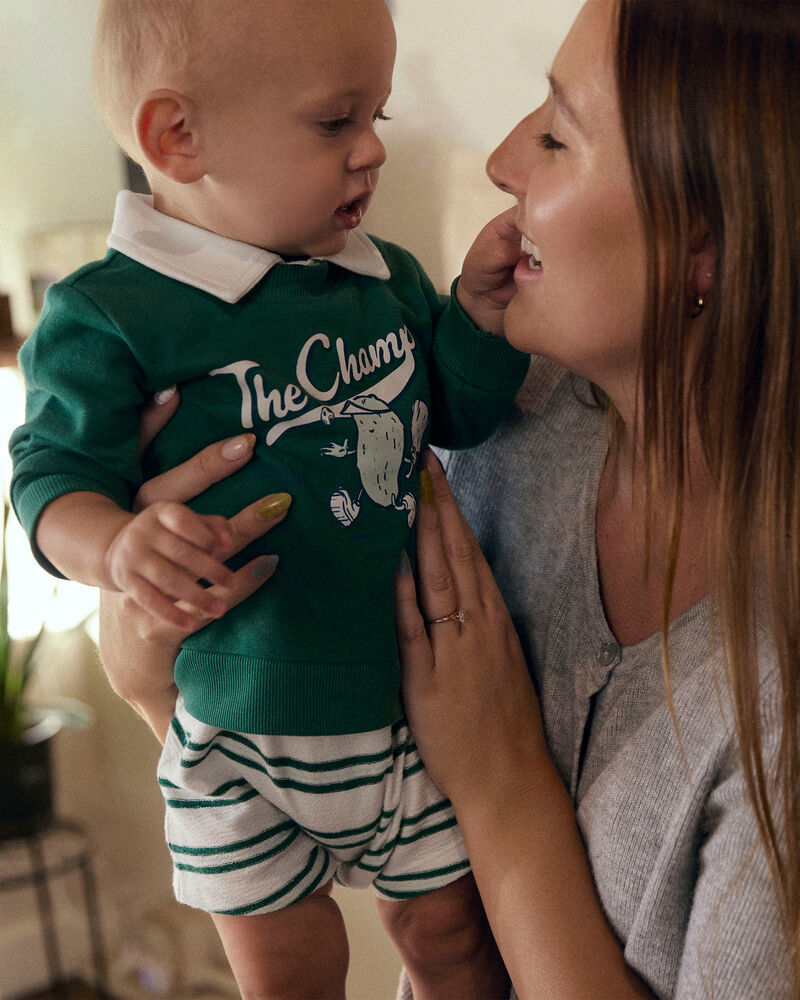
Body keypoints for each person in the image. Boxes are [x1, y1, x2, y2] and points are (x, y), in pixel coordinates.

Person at [100, 0, 800, 997]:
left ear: (709, 245)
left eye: (557, 135)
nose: (503, 160)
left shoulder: (771, 700)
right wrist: (149, 667)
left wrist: (501, 781)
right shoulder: (508, 417)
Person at [9, 1, 530, 996]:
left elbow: (458, 414)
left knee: (453, 942)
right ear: (179, 136)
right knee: (293, 970)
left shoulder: (382, 279)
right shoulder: (110, 313)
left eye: (376, 114)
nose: (371, 149)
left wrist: (475, 314)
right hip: (233, 738)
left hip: (405, 711)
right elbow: (48, 480)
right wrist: (114, 546)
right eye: (336, 121)